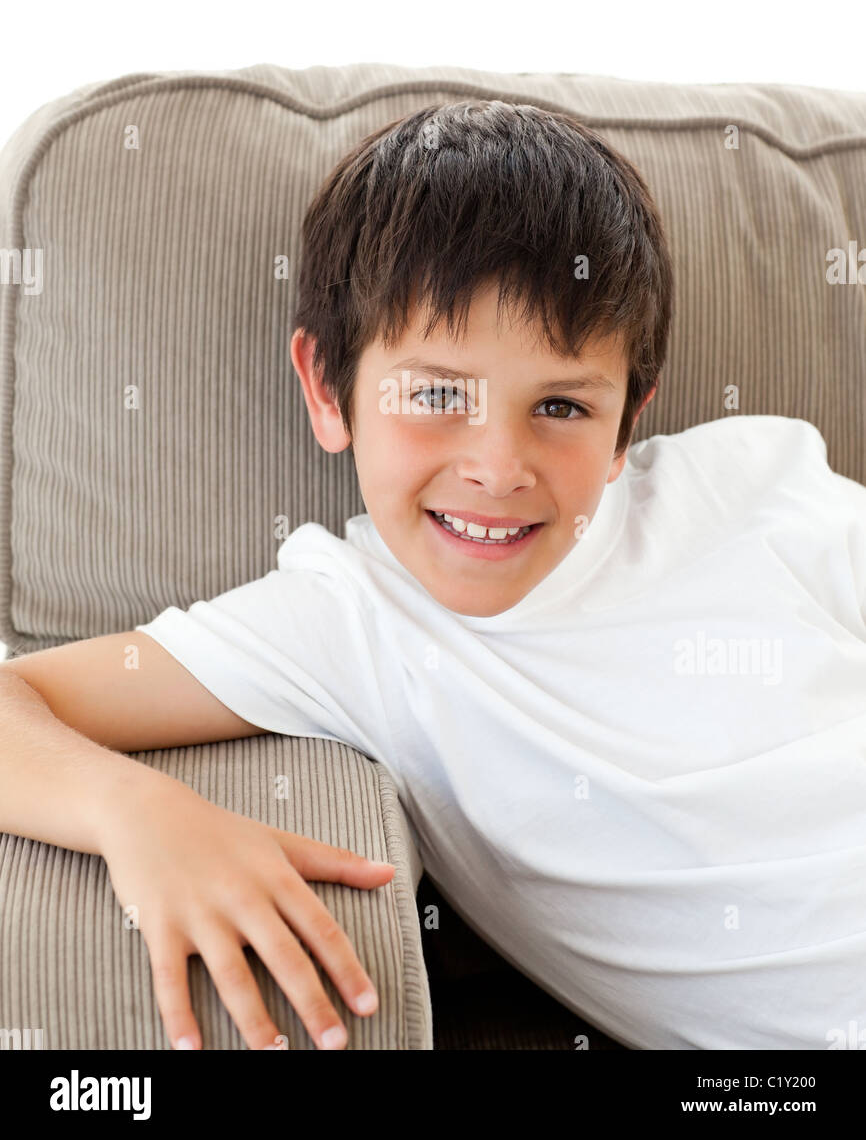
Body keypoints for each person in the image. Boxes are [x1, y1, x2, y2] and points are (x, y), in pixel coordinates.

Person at [1, 100, 864, 1051]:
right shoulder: (348, 622)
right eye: (437, 395)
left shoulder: (747, 484)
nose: (498, 467)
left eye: (564, 406)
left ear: (628, 422)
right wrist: (137, 813)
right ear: (328, 391)